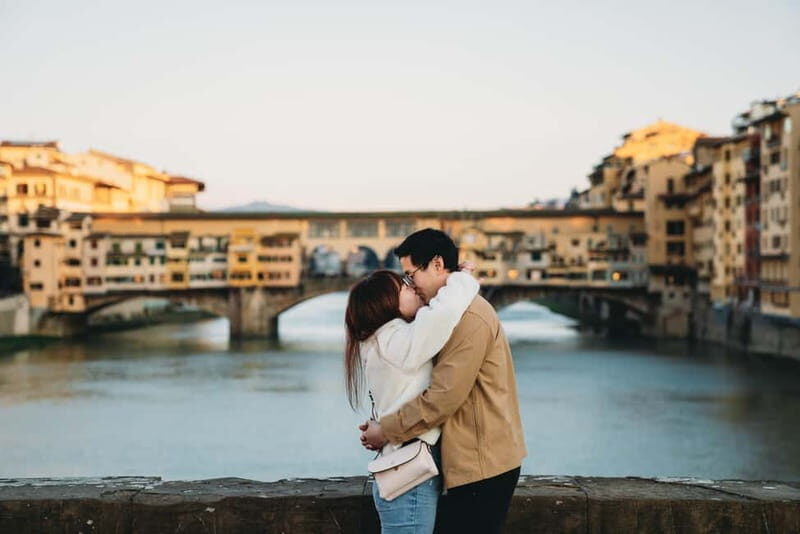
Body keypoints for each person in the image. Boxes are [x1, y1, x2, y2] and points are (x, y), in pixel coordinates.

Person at [360, 228, 526, 534]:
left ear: (437, 264)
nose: (410, 284)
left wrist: (387, 430)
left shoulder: (468, 319)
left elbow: (443, 397)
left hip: (482, 466)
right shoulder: (451, 311)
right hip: (473, 460)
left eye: (411, 274)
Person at [345, 266, 480, 534]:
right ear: (386, 303)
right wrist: (460, 279)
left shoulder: (379, 341)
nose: (412, 288)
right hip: (410, 476)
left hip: (402, 469)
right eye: (404, 287)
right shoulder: (394, 339)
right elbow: (443, 314)